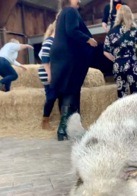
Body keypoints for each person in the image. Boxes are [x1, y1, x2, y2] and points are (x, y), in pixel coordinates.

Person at [50, 0, 97, 141]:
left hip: (59, 55)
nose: (80, 1)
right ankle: (63, 127)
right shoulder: (71, 11)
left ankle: (67, 129)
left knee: (64, 90)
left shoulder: (62, 13)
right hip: (69, 55)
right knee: (72, 88)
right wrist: (88, 39)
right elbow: (72, 31)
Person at [103, 5, 137, 98]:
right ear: (130, 15)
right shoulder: (134, 31)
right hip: (131, 63)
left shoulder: (111, 32)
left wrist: (115, 60)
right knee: (136, 93)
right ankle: (136, 112)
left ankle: (124, 112)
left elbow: (105, 51)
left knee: (122, 94)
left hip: (118, 65)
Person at [38, 20, 58, 130]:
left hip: (51, 71)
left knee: (54, 96)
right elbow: (45, 59)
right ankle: (45, 122)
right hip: (47, 72)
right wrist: (49, 74)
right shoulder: (49, 41)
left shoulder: (54, 41)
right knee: (51, 97)